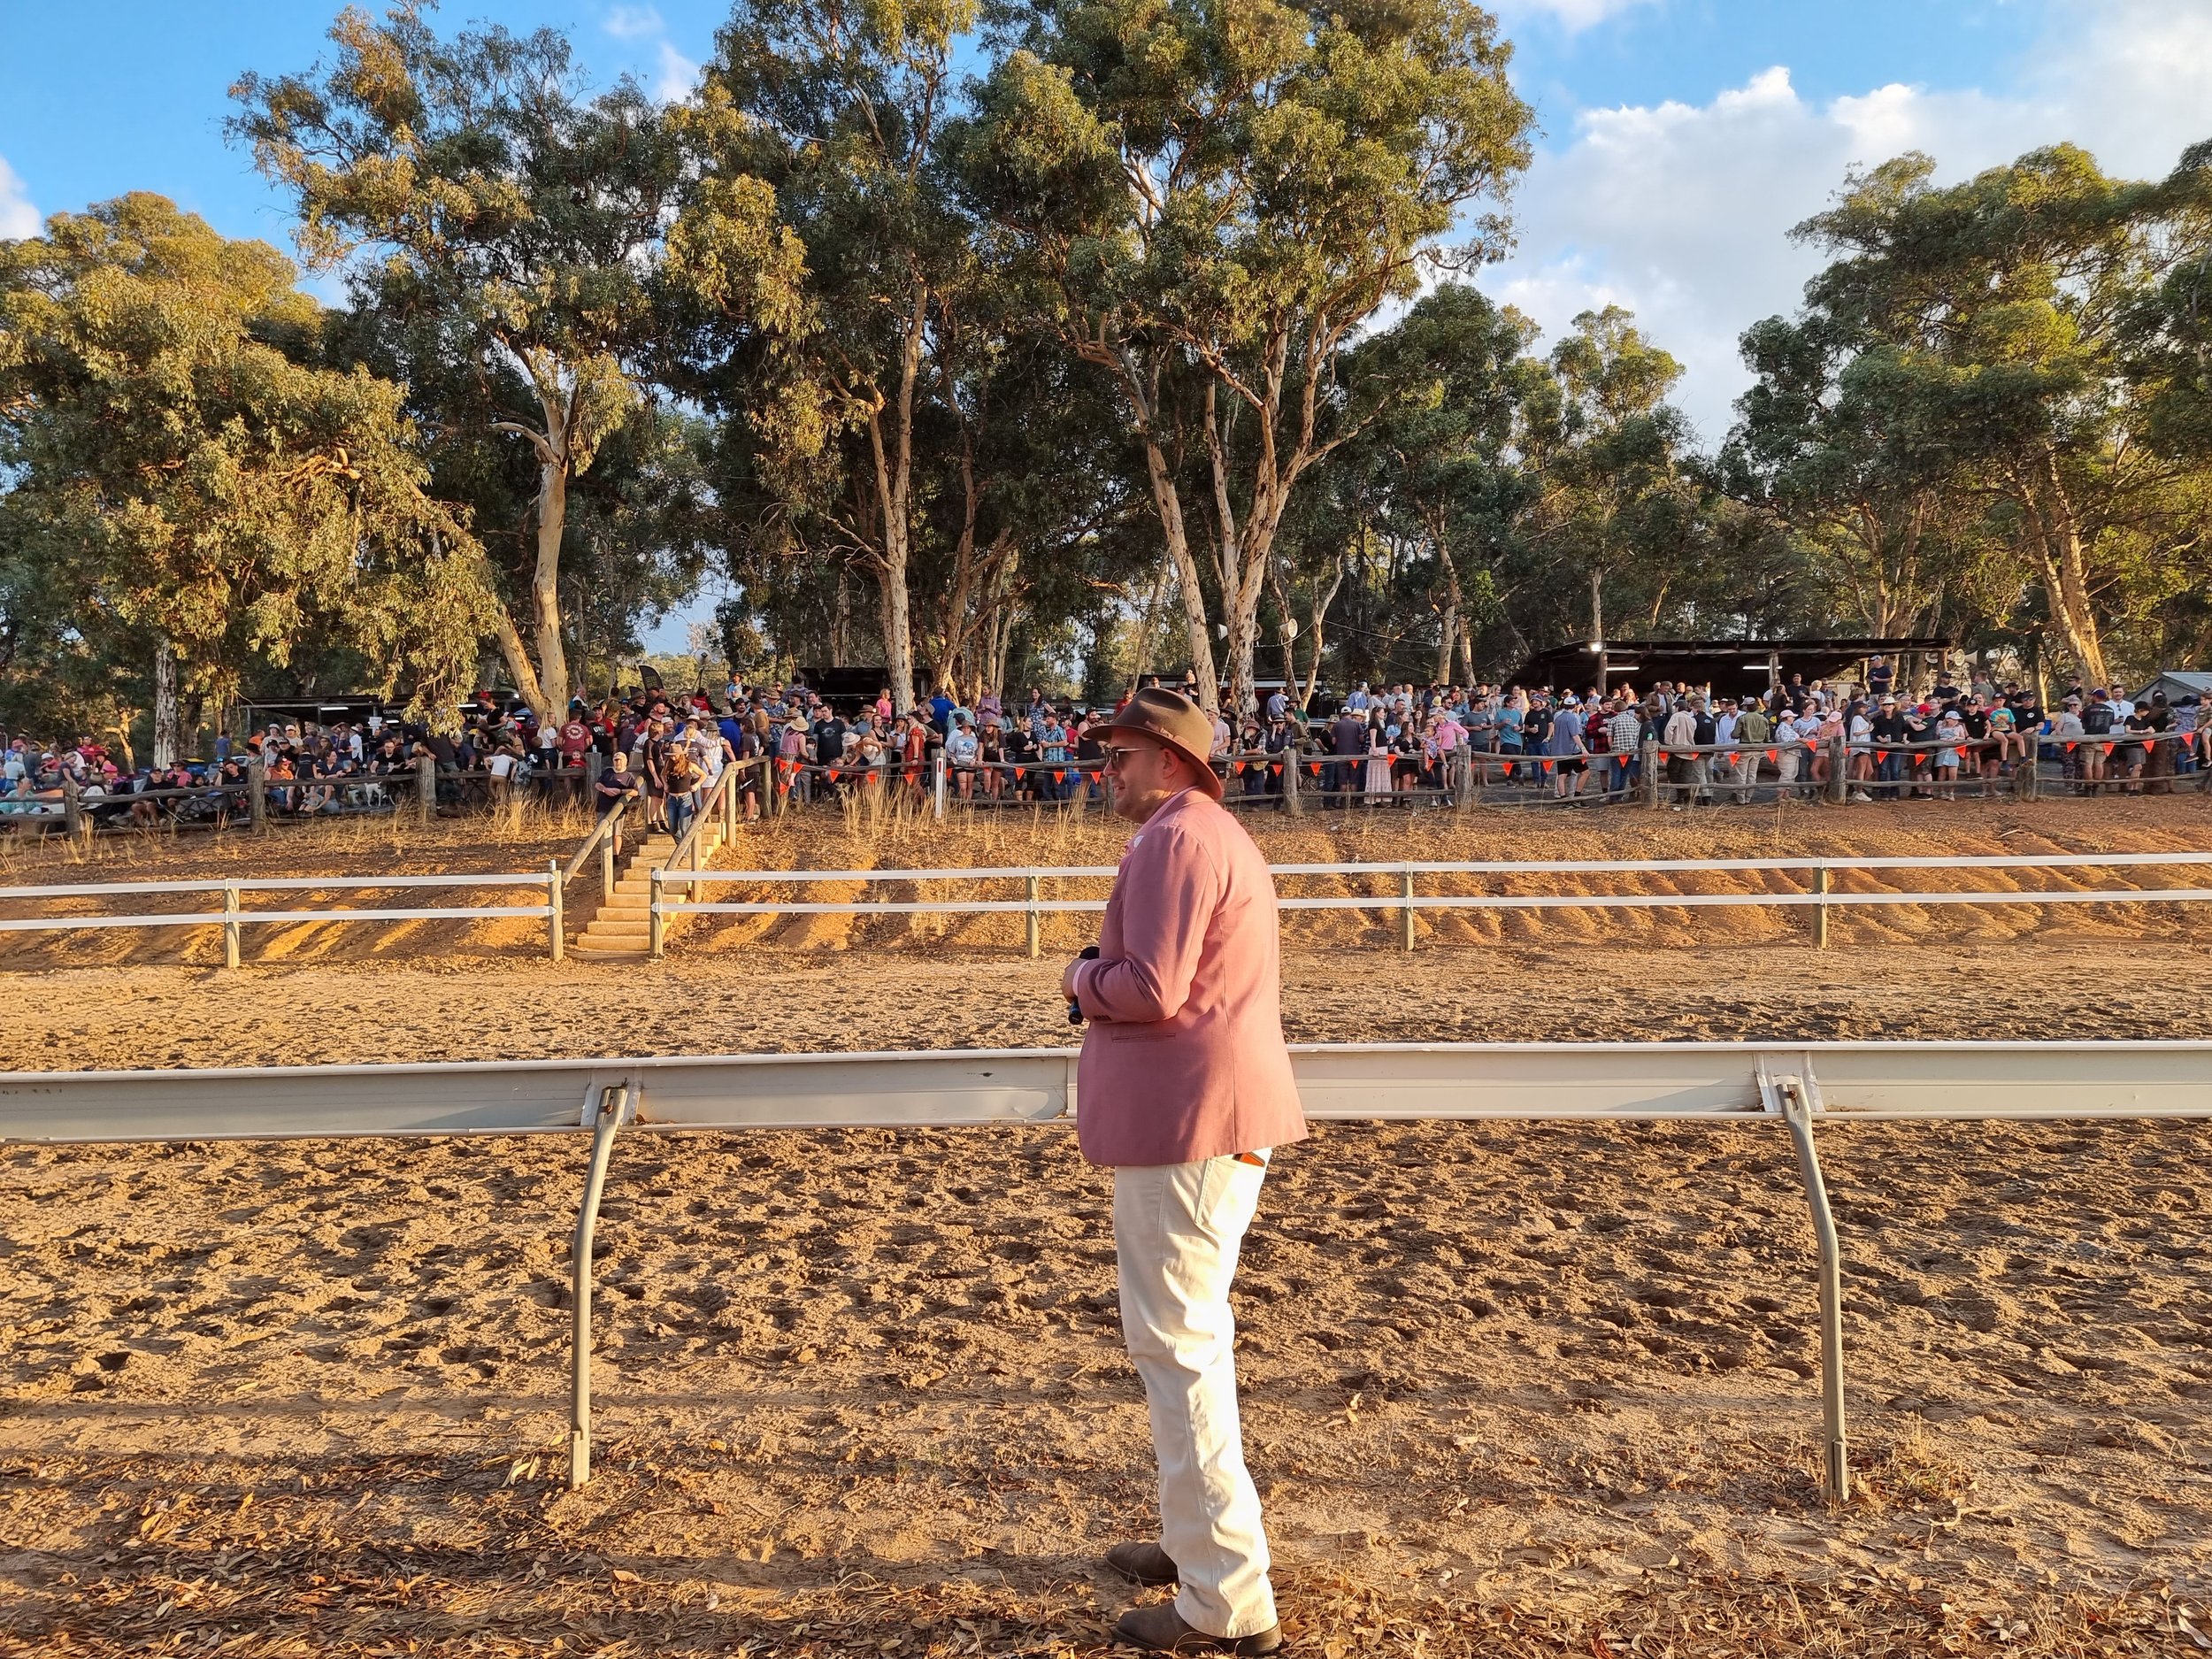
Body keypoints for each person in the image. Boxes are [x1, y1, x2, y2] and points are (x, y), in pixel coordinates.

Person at [1062, 687, 1304, 1656]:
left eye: (1120, 755)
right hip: (1212, 1116)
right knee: (1183, 1344)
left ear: (1167, 761)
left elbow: (1149, 990)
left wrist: (1078, 978)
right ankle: (1193, 1545)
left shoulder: (1171, 839)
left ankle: (1224, 1602)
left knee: (1180, 1351)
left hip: (1186, 1124)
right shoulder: (1209, 833)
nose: (1106, 771)